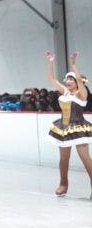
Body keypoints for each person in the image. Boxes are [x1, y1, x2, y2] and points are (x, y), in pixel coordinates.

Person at [45, 52, 92, 197]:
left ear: (78, 81)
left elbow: (78, 77)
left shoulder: (81, 94)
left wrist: (73, 64)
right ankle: (63, 184)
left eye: (71, 79)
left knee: (85, 157)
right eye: (67, 79)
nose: (68, 81)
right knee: (64, 158)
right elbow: (51, 79)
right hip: (64, 128)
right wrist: (51, 62)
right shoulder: (65, 92)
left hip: (78, 127)